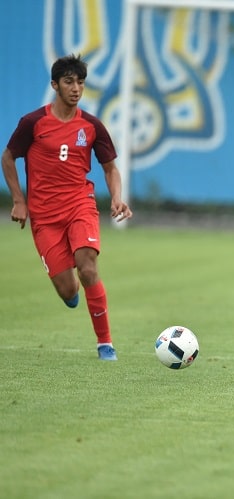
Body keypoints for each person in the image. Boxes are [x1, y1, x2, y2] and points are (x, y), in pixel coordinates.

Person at [1, 53, 132, 361]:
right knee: (68, 291)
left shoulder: (92, 126)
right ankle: (71, 292)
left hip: (79, 205)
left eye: (81, 83)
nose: (76, 88)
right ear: (54, 85)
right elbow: (8, 158)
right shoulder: (33, 123)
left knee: (88, 266)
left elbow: (111, 168)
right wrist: (20, 200)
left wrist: (116, 197)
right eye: (69, 82)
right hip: (45, 217)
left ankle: (105, 344)